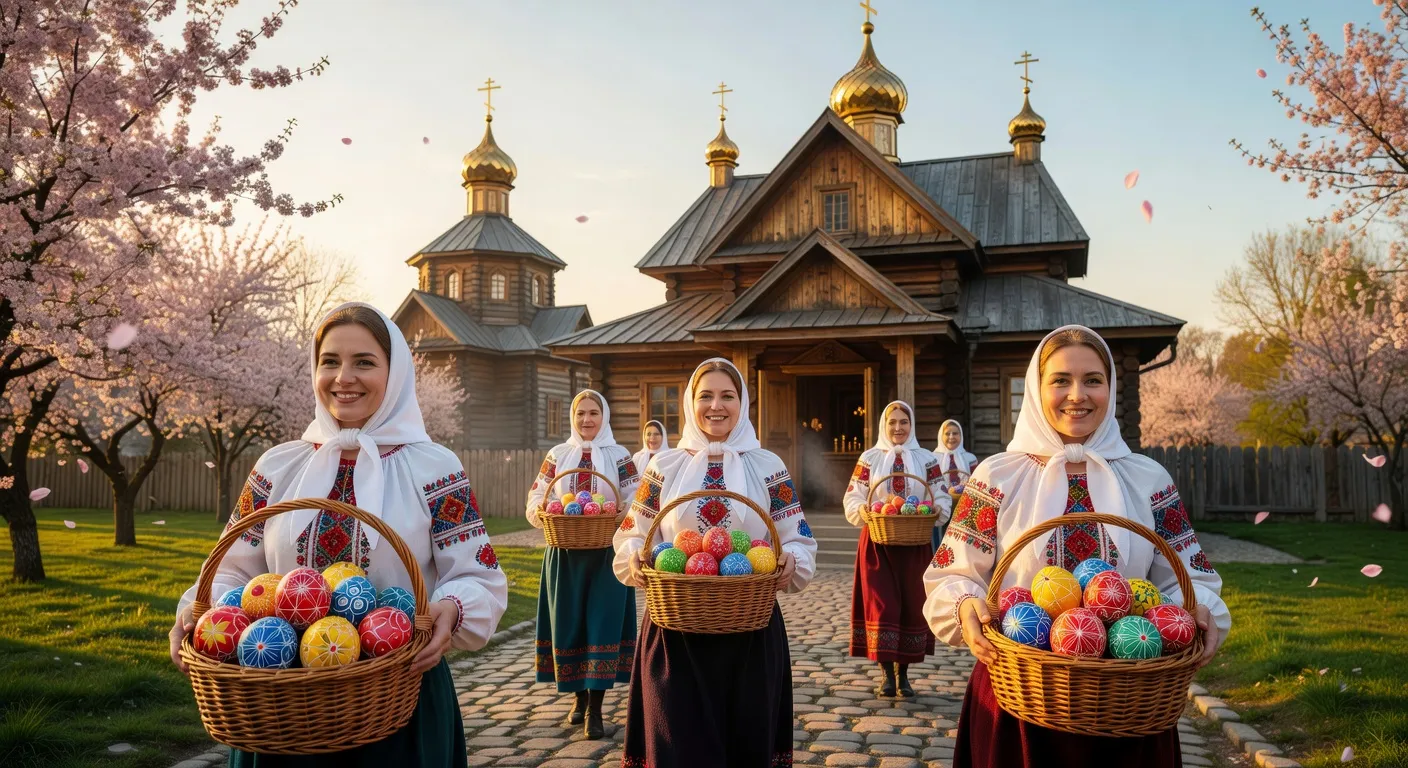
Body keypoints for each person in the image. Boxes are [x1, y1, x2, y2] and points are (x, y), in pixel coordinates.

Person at [168, 303, 508, 767]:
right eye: (330, 361)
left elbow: (477, 572)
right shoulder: (279, 466)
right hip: (279, 705)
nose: (343, 377)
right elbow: (231, 573)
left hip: (397, 698)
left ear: (396, 374)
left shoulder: (433, 468)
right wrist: (199, 615)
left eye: (364, 362)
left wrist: (451, 607)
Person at [922, 325, 1231, 768]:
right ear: (1036, 388)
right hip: (1021, 695)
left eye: (1092, 380)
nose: (1077, 395)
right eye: (1060, 381)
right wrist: (965, 606)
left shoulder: (1147, 479)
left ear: (1111, 387)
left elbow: (1189, 576)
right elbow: (953, 573)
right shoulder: (997, 476)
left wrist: (1198, 606)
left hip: (1128, 701)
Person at [613, 358, 818, 768]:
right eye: (705, 395)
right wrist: (634, 555)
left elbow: (798, 536)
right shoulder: (663, 466)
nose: (716, 406)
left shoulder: (767, 466)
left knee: (745, 747)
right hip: (675, 632)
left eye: (727, 395)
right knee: (678, 748)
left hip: (750, 631)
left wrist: (791, 560)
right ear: (691, 403)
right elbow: (634, 531)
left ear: (742, 404)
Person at [525, 389, 640, 739]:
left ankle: (596, 709)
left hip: (607, 552)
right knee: (570, 624)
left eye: (593, 412)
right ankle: (577, 698)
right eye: (580, 414)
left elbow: (637, 495)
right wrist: (541, 512)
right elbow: (536, 495)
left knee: (601, 625)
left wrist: (624, 510)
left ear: (604, 416)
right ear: (572, 419)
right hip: (565, 553)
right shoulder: (558, 455)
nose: (587, 419)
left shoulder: (620, 456)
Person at [842, 401, 950, 698]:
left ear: (911, 425)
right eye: (893, 422)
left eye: (904, 422)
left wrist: (934, 510)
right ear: (883, 425)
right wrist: (864, 510)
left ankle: (904, 675)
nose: (898, 428)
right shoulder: (870, 458)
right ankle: (886, 675)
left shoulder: (926, 459)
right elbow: (853, 496)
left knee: (911, 608)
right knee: (882, 606)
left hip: (914, 543)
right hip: (878, 543)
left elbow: (939, 495)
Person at [931, 418, 977, 549]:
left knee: (960, 540)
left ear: (961, 436)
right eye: (947, 433)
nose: (951, 437)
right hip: (940, 503)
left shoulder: (969, 458)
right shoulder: (933, 457)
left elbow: (974, 480)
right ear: (941, 436)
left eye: (955, 433)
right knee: (940, 534)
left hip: (962, 504)